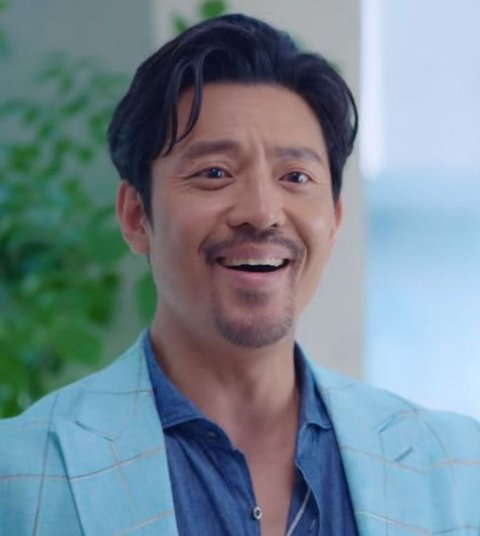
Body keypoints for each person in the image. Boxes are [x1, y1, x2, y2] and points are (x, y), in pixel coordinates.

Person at [0, 13, 478, 536]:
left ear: (335, 220)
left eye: (295, 176)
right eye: (215, 173)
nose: (262, 212)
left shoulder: (456, 469)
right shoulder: (17, 476)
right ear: (136, 216)